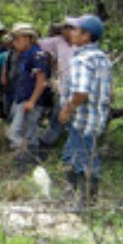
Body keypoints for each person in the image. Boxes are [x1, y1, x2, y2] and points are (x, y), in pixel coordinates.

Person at [58, 15, 112, 212]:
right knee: (72, 156)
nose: (71, 33)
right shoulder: (102, 59)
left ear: (86, 36)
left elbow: (81, 92)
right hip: (96, 118)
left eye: (75, 30)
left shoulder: (82, 60)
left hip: (82, 119)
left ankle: (85, 203)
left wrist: (66, 109)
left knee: (83, 158)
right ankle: (74, 196)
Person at [7, 23, 50, 167]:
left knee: (17, 133)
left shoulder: (37, 55)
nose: (14, 43)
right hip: (21, 99)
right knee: (27, 133)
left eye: (17, 39)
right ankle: (26, 165)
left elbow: (41, 81)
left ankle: (27, 162)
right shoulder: (23, 56)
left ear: (27, 38)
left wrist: (32, 101)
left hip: (31, 101)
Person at [39, 18, 79, 149]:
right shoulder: (58, 42)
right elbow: (39, 44)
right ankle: (47, 143)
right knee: (58, 117)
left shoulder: (81, 44)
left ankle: (68, 149)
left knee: (72, 120)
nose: (65, 31)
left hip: (78, 89)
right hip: (64, 89)